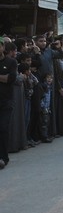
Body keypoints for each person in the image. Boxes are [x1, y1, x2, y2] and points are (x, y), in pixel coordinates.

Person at [0, 38, 18, 169]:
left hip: (6, 101)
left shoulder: (11, 62)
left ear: (2, 47)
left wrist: (4, 78)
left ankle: (3, 157)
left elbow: (10, 78)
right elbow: (4, 78)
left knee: (3, 128)